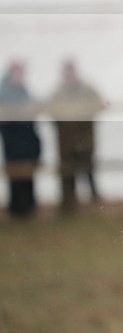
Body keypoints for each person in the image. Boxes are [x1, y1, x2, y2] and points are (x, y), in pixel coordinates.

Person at [49, 60, 105, 211]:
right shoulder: (58, 92)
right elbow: (51, 111)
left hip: (85, 141)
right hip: (66, 143)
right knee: (68, 174)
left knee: (88, 171)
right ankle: (69, 206)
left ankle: (95, 204)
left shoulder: (87, 89)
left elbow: (101, 104)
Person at [0, 61, 41, 218]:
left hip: (26, 139)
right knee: (15, 173)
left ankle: (28, 207)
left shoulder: (23, 89)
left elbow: (35, 104)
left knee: (28, 173)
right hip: (14, 139)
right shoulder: (4, 91)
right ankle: (17, 209)